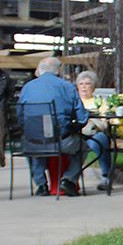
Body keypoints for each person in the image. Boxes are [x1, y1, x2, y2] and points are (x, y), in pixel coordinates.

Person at [19, 56, 88, 196]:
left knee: (34, 145)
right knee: (83, 146)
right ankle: (68, 179)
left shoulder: (27, 87)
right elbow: (82, 118)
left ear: (40, 70)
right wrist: (72, 127)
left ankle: (41, 184)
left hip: (33, 142)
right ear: (58, 71)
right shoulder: (67, 86)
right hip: (60, 141)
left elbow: (21, 117)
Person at [75, 70, 112, 191]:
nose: (84, 87)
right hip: (77, 133)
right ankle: (72, 178)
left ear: (94, 87)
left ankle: (106, 176)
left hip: (94, 133)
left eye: (88, 84)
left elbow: (105, 121)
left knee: (99, 141)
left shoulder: (100, 101)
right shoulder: (74, 101)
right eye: (81, 84)